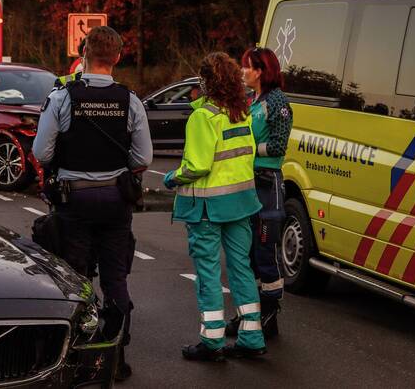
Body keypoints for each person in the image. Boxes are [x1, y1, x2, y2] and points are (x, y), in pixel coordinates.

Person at [33, 25, 152, 381]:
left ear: (84, 54)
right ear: (117, 57)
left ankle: (77, 355)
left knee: (76, 277)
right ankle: (116, 354)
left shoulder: (62, 98)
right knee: (116, 277)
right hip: (116, 200)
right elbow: (143, 157)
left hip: (74, 201)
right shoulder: (130, 100)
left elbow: (42, 152)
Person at [164, 52, 265, 362]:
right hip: (241, 204)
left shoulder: (202, 117)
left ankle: (213, 340)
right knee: (241, 270)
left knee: (208, 273)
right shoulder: (242, 112)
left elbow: (196, 165)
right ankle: (251, 335)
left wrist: (172, 177)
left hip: (207, 208)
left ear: (206, 81)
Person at [226, 46, 292, 339]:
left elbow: (278, 145)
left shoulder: (277, 102)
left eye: (248, 66)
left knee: (265, 255)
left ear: (262, 71)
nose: (243, 71)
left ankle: (269, 316)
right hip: (249, 184)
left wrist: (248, 150)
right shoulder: (254, 100)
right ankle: (248, 316)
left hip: (267, 185)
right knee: (248, 256)